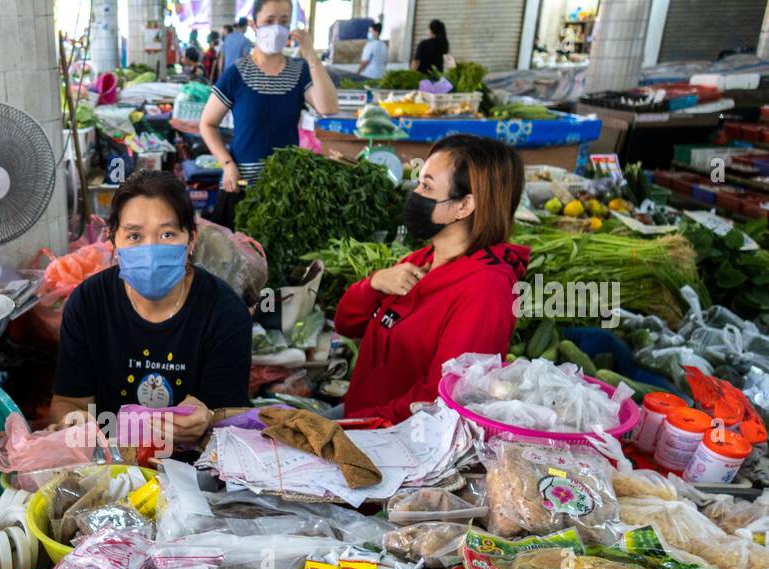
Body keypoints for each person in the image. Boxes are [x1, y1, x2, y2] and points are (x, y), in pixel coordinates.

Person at [334, 135, 528, 423]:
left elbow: (439, 399)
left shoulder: (485, 292)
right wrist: (373, 284)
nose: (415, 194)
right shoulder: (422, 259)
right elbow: (346, 324)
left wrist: (355, 427)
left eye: (426, 186)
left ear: (464, 206)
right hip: (365, 431)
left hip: (398, 448)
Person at [50, 171, 251, 443]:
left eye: (167, 234)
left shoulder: (225, 313)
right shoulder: (88, 303)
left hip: (194, 468)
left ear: (191, 239)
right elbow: (68, 402)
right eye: (134, 236)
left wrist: (208, 418)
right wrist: (74, 422)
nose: (151, 250)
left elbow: (233, 420)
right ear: (113, 240)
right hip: (109, 467)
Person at [199, 0, 339, 227]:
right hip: (242, 185)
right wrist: (227, 164)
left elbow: (328, 107)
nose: (277, 27)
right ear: (254, 25)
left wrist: (311, 56)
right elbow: (207, 123)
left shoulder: (299, 71)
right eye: (269, 21)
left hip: (286, 187)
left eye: (284, 21)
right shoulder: (237, 72)